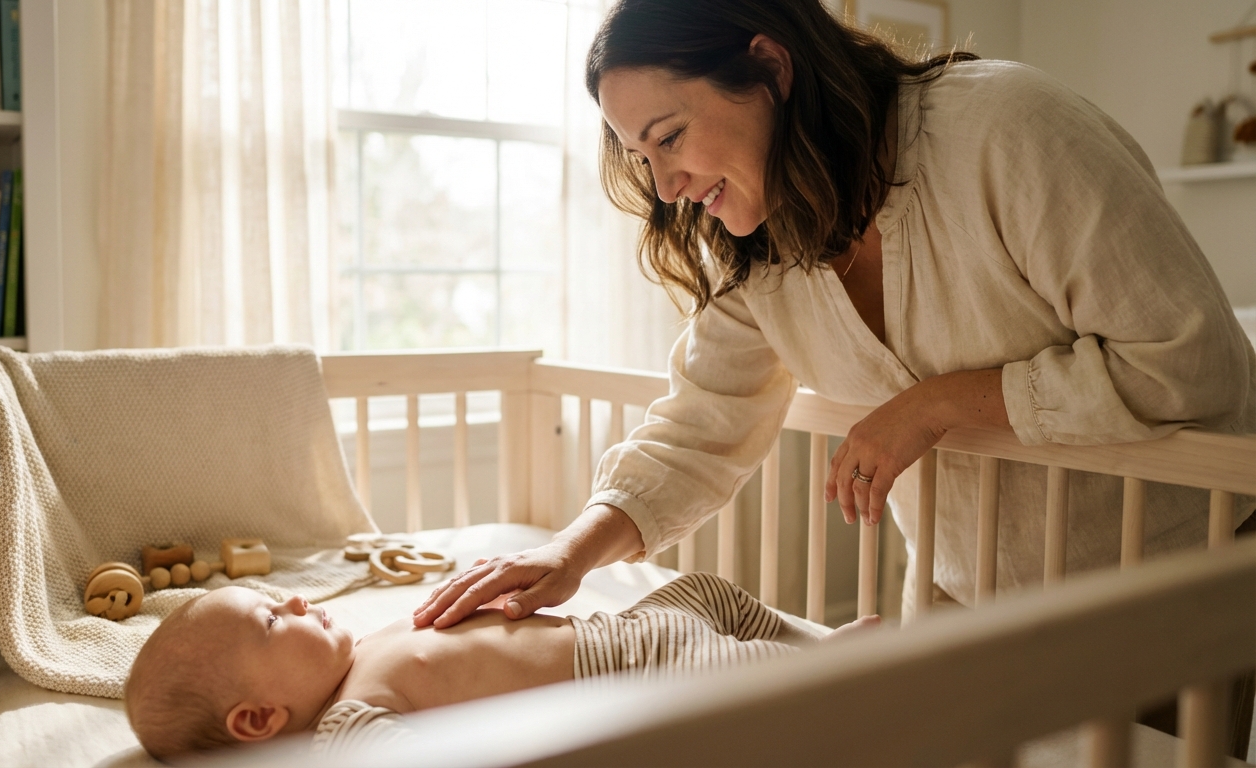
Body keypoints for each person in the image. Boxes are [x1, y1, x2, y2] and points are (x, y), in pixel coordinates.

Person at [413, 0, 1256, 630]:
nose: (664, 186)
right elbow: (697, 429)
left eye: (670, 137)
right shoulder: (764, 246)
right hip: (967, 600)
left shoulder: (1007, 131)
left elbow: (1188, 361)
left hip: (1165, 588)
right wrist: (571, 552)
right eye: (642, 156)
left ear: (771, 68)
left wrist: (933, 405)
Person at [123, 579, 877, 760]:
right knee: (746, 675)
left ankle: (818, 646)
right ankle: (837, 672)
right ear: (259, 719)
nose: (295, 598)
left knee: (710, 593)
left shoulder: (363, 652)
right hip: (640, 669)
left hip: (625, 625)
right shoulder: (354, 717)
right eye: (271, 620)